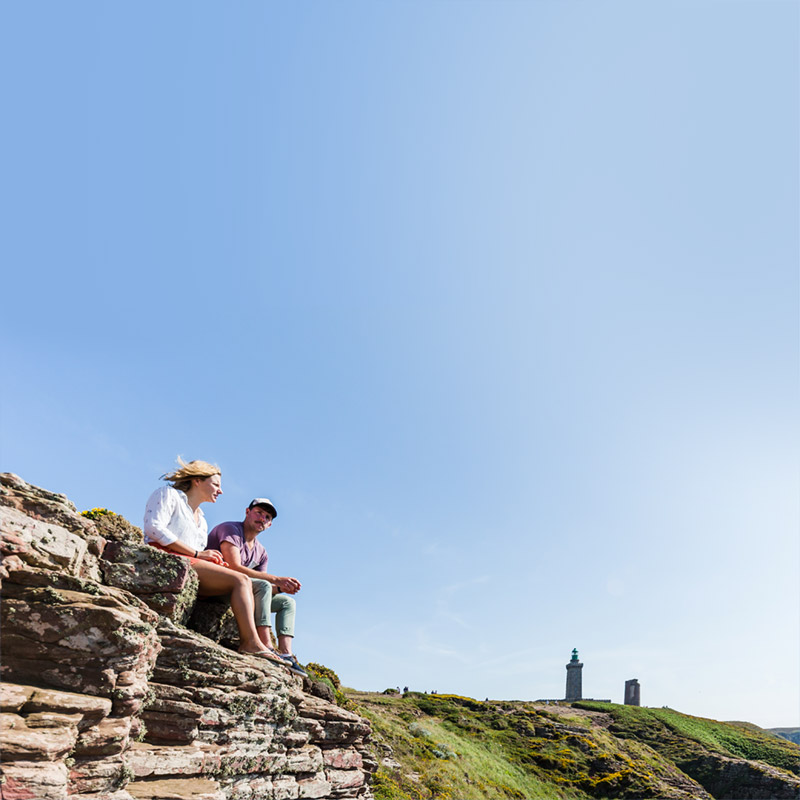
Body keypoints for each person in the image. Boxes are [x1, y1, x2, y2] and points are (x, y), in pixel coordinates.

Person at [142, 459, 286, 666]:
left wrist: (211, 560)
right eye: (216, 484)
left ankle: (262, 644)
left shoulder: (202, 519)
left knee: (242, 579)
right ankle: (251, 642)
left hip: (191, 565)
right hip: (167, 560)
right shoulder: (168, 494)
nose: (221, 491)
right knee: (241, 580)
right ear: (198, 480)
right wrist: (197, 553)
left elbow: (199, 554)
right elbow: (153, 528)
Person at [207, 498, 306, 676]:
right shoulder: (231, 530)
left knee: (287, 603)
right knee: (263, 585)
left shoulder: (261, 553)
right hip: (216, 585)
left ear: (269, 525)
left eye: (267, 517)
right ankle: (265, 645)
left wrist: (282, 588)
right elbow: (234, 566)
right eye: (259, 512)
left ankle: (286, 654)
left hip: (241, 592)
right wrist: (277, 579)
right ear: (247, 512)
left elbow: (263, 590)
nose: (262, 518)